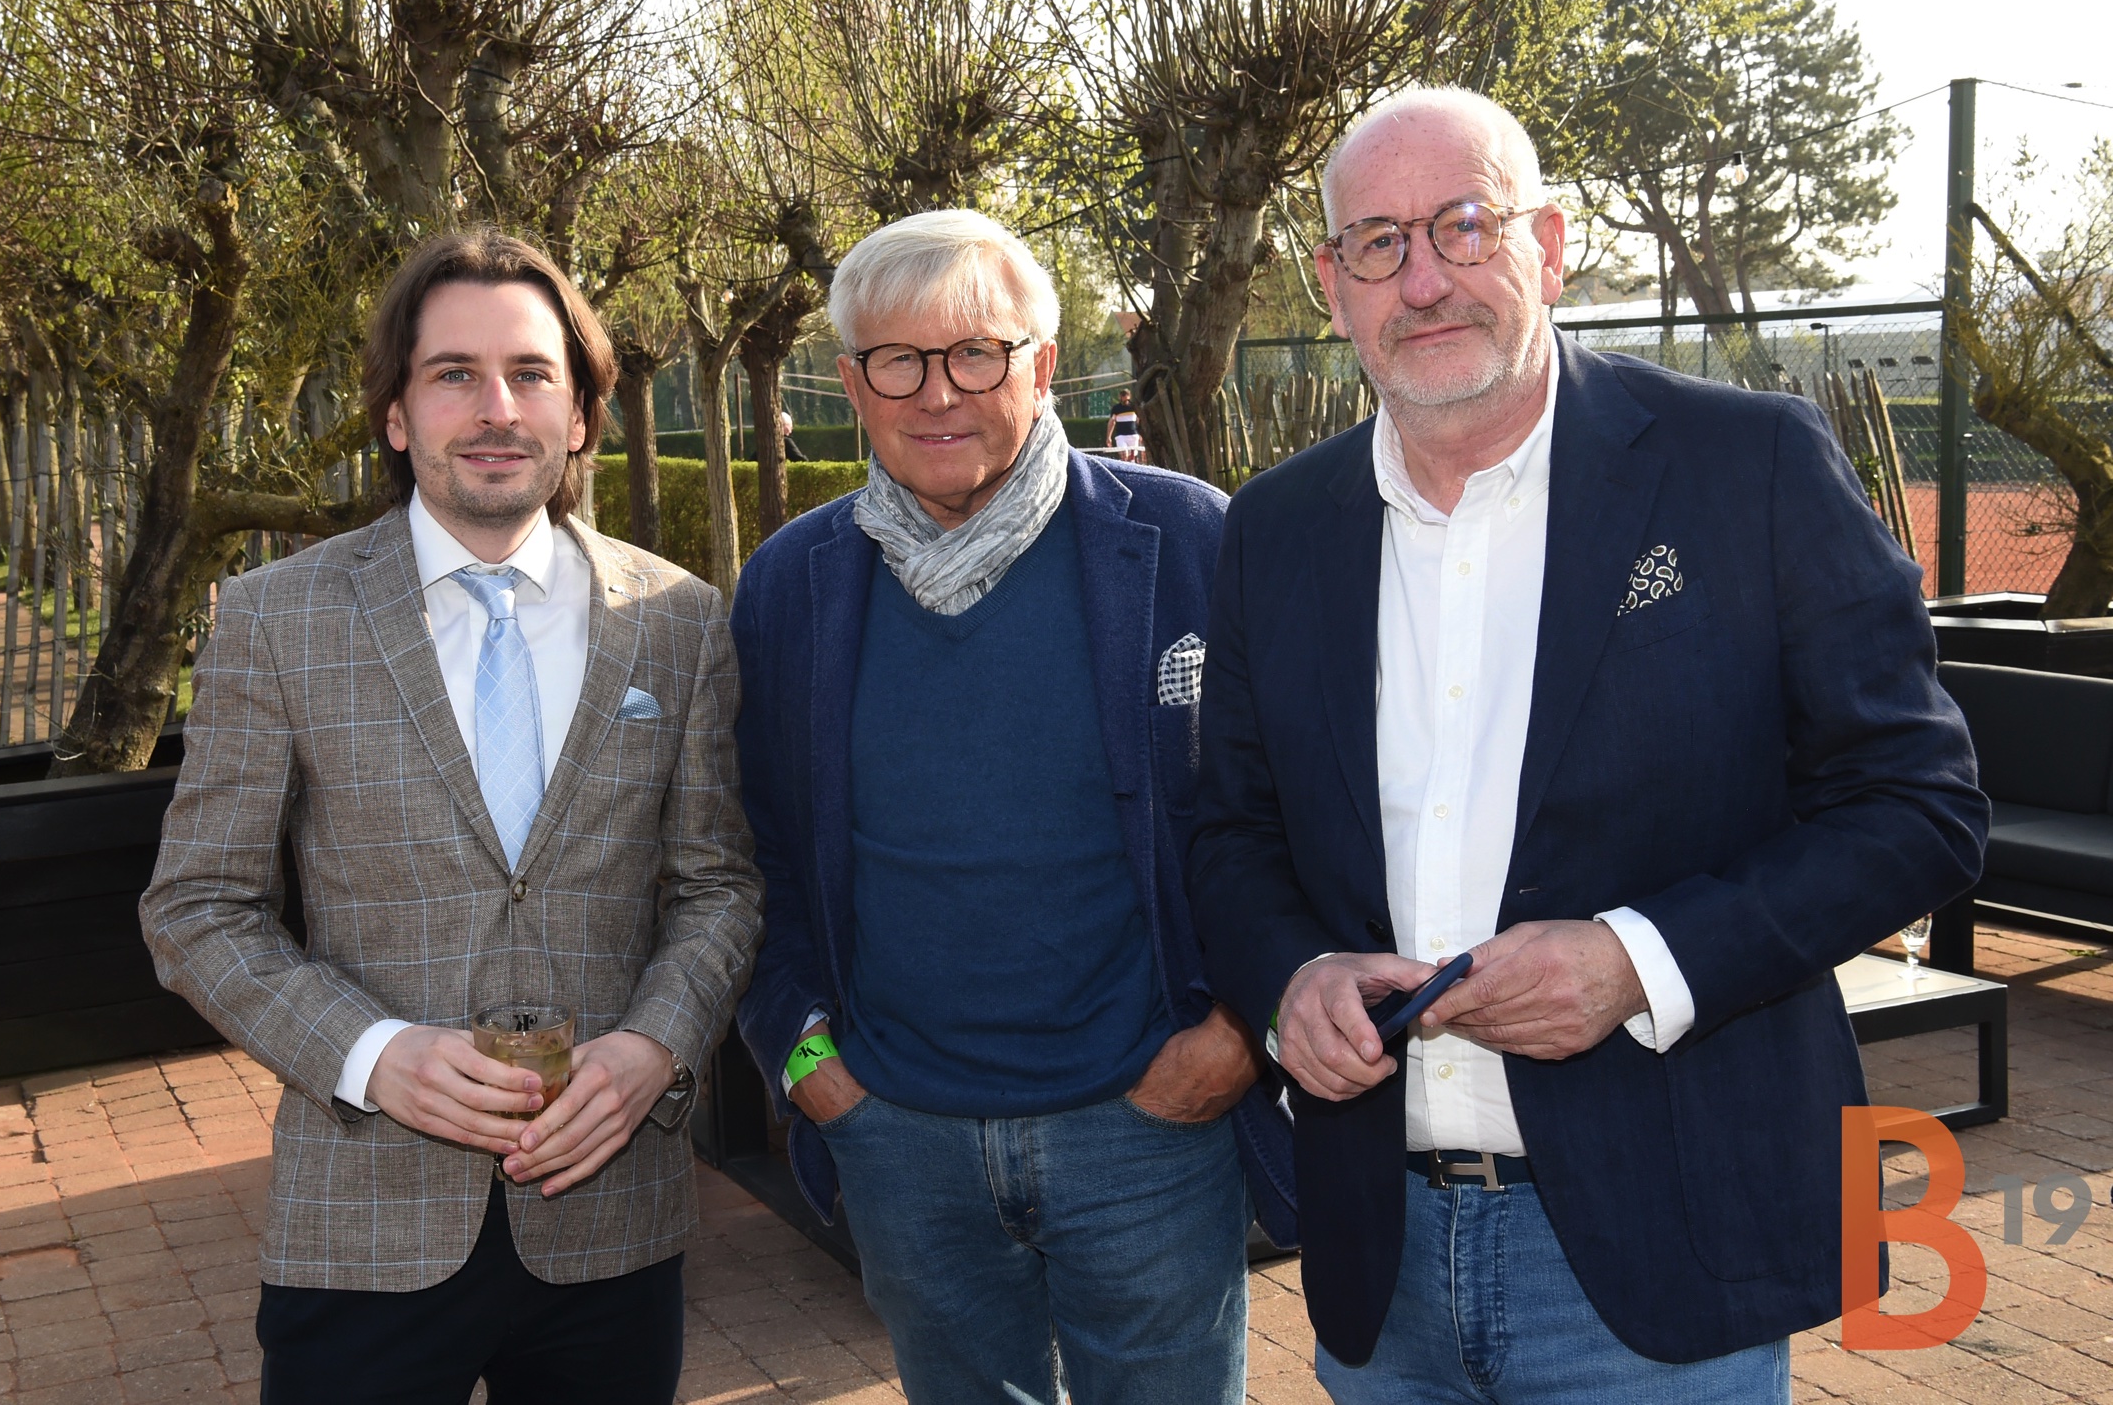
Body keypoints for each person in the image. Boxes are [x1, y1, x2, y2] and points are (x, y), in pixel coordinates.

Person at [1187, 88, 1988, 1403]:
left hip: (1665, 1248)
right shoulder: (1272, 528)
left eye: (1465, 225)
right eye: (1380, 243)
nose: (1425, 280)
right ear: (1332, 288)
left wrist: (1637, 962)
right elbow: (1229, 829)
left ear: (1550, 247)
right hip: (1376, 1256)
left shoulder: (1747, 466)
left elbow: (1918, 806)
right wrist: (1288, 981)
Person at [140, 229, 763, 1405]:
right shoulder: (278, 621)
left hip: (610, 1225)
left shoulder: (678, 621)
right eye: (453, 375)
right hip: (364, 1226)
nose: (496, 409)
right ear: (395, 414)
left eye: (531, 374)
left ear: (581, 415)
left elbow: (717, 888)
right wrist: (372, 1056)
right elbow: (198, 909)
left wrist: (655, 1047)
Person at [731, 208, 1290, 1405]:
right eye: (899, 359)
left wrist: (1240, 1036)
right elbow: (754, 853)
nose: (940, 393)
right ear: (852, 383)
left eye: (977, 352)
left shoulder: (1191, 540)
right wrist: (808, 1061)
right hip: (901, 1139)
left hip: (1149, 1129)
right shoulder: (789, 586)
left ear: (1042, 365)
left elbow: (1293, 814)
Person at [1108, 388, 1143, 461]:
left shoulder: (1134, 407)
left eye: (1126, 395)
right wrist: (1109, 437)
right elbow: (1112, 422)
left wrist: (1140, 434)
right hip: (1121, 436)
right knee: (1124, 455)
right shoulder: (1116, 408)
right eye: (1122, 395)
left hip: (1133, 435)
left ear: (1129, 396)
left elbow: (1139, 420)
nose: (1124, 397)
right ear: (1120, 397)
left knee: (1132, 457)